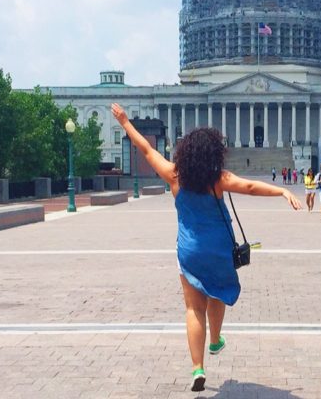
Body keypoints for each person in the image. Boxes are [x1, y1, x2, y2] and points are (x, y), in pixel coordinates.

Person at [111, 103, 301, 392]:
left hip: (189, 250)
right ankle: (216, 340)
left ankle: (198, 367)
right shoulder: (219, 179)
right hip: (219, 250)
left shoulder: (175, 176)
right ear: (215, 153)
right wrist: (283, 190)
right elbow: (250, 187)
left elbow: (147, 150)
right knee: (218, 293)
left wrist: (125, 122)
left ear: (185, 152)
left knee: (192, 308)